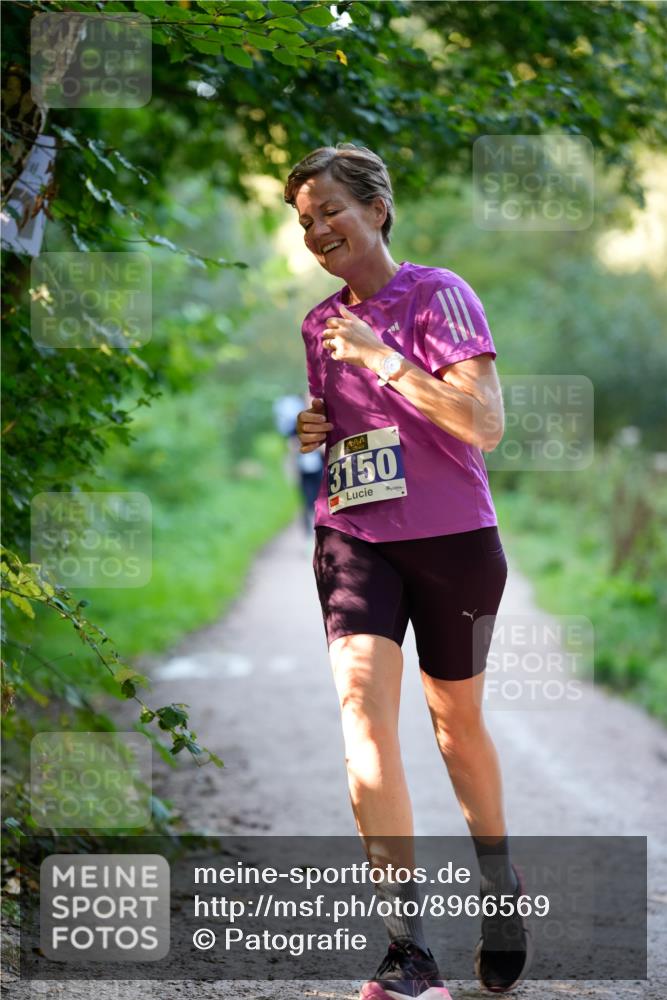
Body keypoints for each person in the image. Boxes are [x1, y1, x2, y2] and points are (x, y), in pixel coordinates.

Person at [283, 143, 533, 1000]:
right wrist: (317, 430)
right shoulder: (318, 324)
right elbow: (354, 427)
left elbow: (483, 424)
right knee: (363, 719)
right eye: (305, 220)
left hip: (453, 538)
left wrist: (382, 357)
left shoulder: (439, 295)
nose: (317, 230)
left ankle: (498, 886)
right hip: (354, 536)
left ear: (377, 209)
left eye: (330, 211)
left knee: (454, 727)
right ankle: (407, 950)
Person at [273, 393, 325, 534]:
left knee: (321, 498)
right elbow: (291, 447)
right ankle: (311, 532)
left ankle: (321, 528)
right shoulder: (295, 426)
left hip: (319, 467)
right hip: (303, 470)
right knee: (308, 500)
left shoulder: (319, 422)